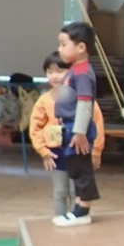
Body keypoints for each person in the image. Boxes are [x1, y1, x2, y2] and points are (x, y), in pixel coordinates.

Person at [29, 52, 106, 221]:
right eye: (50, 72)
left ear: (70, 73)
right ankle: (60, 219)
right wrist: (43, 150)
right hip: (56, 152)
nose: (54, 76)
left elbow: (97, 122)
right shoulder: (44, 100)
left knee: (77, 189)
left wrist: (96, 151)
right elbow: (35, 127)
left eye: (60, 71)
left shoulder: (84, 97)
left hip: (78, 149)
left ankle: (76, 218)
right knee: (60, 191)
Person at [51, 22, 100, 227]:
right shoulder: (75, 70)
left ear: (81, 47)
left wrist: (79, 132)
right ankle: (78, 209)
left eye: (64, 44)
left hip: (75, 129)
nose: (60, 49)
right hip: (69, 128)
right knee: (75, 168)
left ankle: (82, 210)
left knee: (81, 170)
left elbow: (85, 103)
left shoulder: (81, 73)